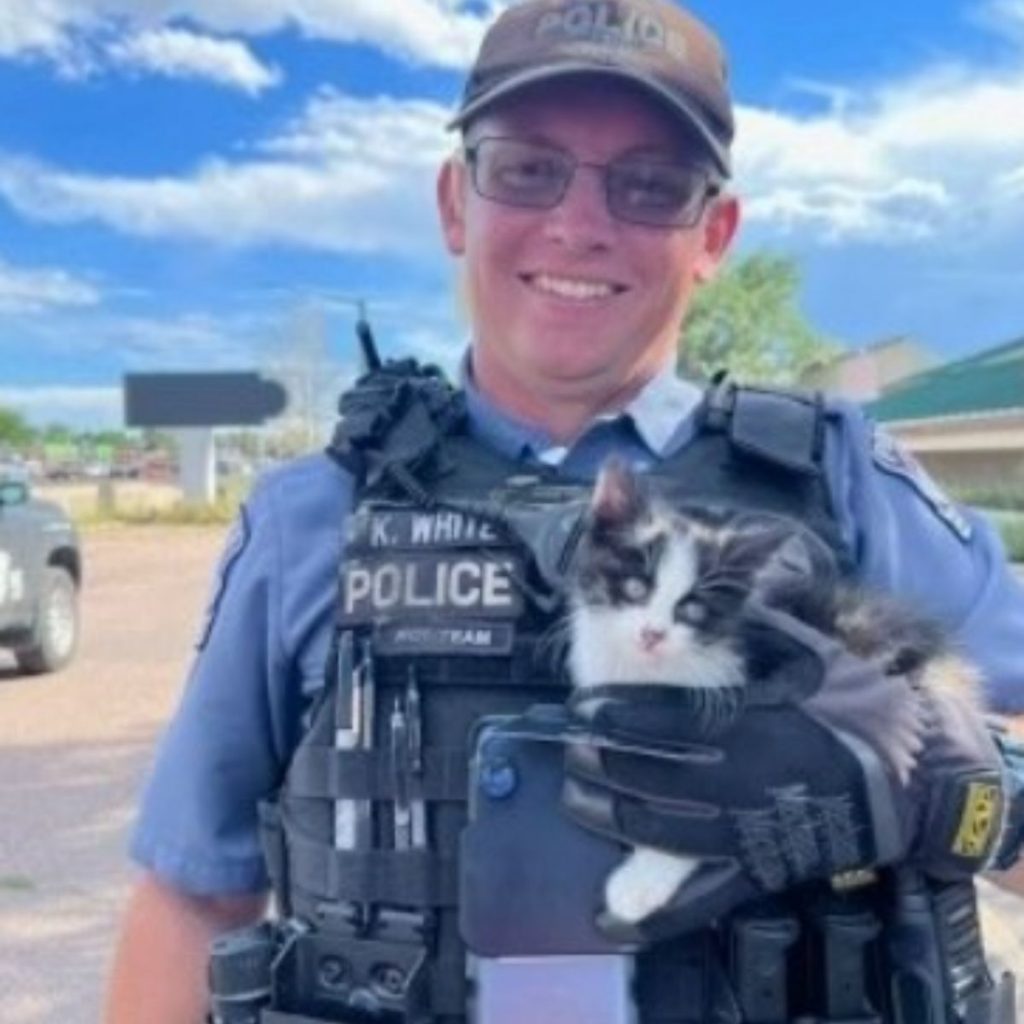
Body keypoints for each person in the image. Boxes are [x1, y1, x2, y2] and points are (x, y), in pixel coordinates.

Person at [104, 1, 1024, 1021]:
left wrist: (942, 776)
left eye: (648, 185)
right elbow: (193, 896)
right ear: (457, 202)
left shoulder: (849, 487)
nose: (581, 224)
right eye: (529, 168)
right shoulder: (311, 518)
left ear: (711, 231)